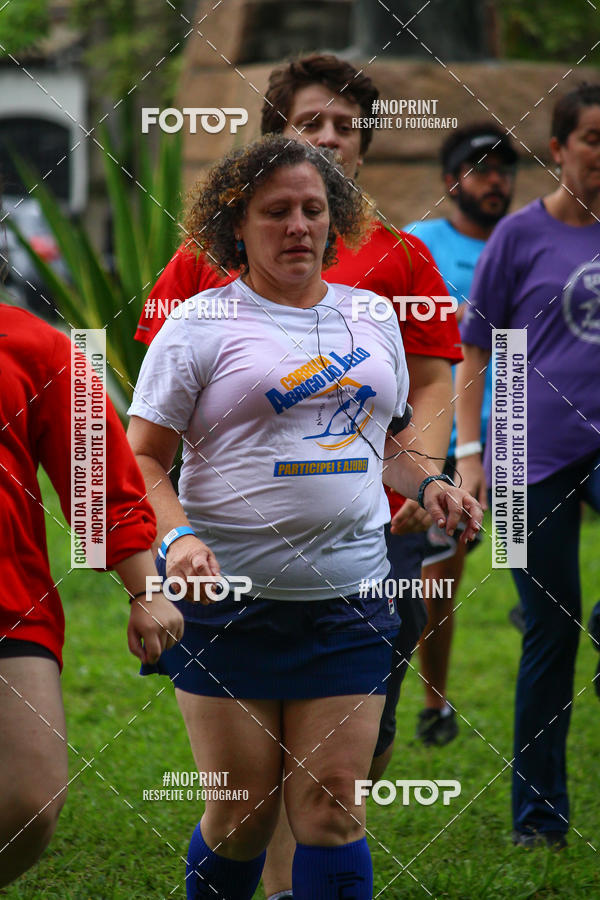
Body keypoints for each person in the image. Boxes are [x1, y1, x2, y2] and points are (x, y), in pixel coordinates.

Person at [135, 53, 463, 900]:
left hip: (351, 597)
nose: (298, 226)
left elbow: (381, 440)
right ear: (236, 225)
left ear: (335, 217)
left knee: (333, 808)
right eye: (276, 211)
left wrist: (429, 484)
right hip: (229, 603)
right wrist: (177, 538)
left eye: (313, 210)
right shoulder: (199, 320)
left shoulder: (373, 315)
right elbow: (141, 455)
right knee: (242, 815)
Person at [456, 82, 600, 848]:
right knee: (550, 631)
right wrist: (471, 457)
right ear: (558, 149)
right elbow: (476, 350)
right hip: (519, 449)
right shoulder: (517, 236)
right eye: (593, 140)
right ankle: (539, 820)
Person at [0, 304, 184, 887]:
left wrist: (145, 589)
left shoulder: (35, 344)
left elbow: (95, 474)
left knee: (29, 802)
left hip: (11, 603)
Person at [403, 122, 518, 745]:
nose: (495, 181)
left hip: (525, 433)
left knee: (526, 554)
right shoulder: (420, 244)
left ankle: (537, 609)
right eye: (481, 170)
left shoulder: (527, 242)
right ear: (452, 181)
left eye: (504, 170)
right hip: (447, 439)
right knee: (439, 575)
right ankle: (435, 703)